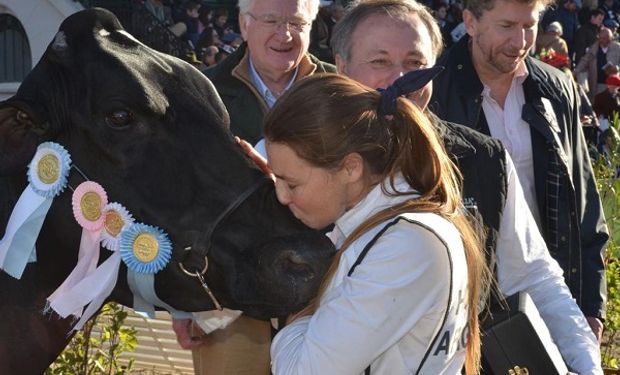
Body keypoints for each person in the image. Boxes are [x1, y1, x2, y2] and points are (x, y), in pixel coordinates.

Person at [331, 0, 602, 372]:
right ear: (342, 67)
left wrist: (585, 362)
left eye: (414, 62)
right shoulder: (304, 164)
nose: (400, 78)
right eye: (380, 62)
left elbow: (534, 275)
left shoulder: (483, 159)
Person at [264, 72, 489, 374]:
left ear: (351, 168)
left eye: (291, 184)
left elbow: (300, 370)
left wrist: (298, 308)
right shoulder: (386, 229)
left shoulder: (406, 243)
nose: (282, 197)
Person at [430, 0, 609, 344]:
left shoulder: (557, 89)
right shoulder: (435, 93)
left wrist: (591, 305)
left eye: (529, 26)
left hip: (552, 292)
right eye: (506, 27)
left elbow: (584, 202)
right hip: (470, 305)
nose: (520, 42)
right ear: (470, 22)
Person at [201, 0, 336, 145]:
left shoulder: (341, 87)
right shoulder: (203, 91)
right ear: (244, 25)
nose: (285, 35)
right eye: (271, 21)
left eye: (297, 22)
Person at [575, 27, 620, 100]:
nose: (602, 40)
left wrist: (617, 68)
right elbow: (584, 60)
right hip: (597, 82)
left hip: (612, 84)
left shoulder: (617, 47)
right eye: (600, 38)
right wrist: (576, 71)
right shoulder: (594, 48)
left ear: (610, 38)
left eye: (605, 38)